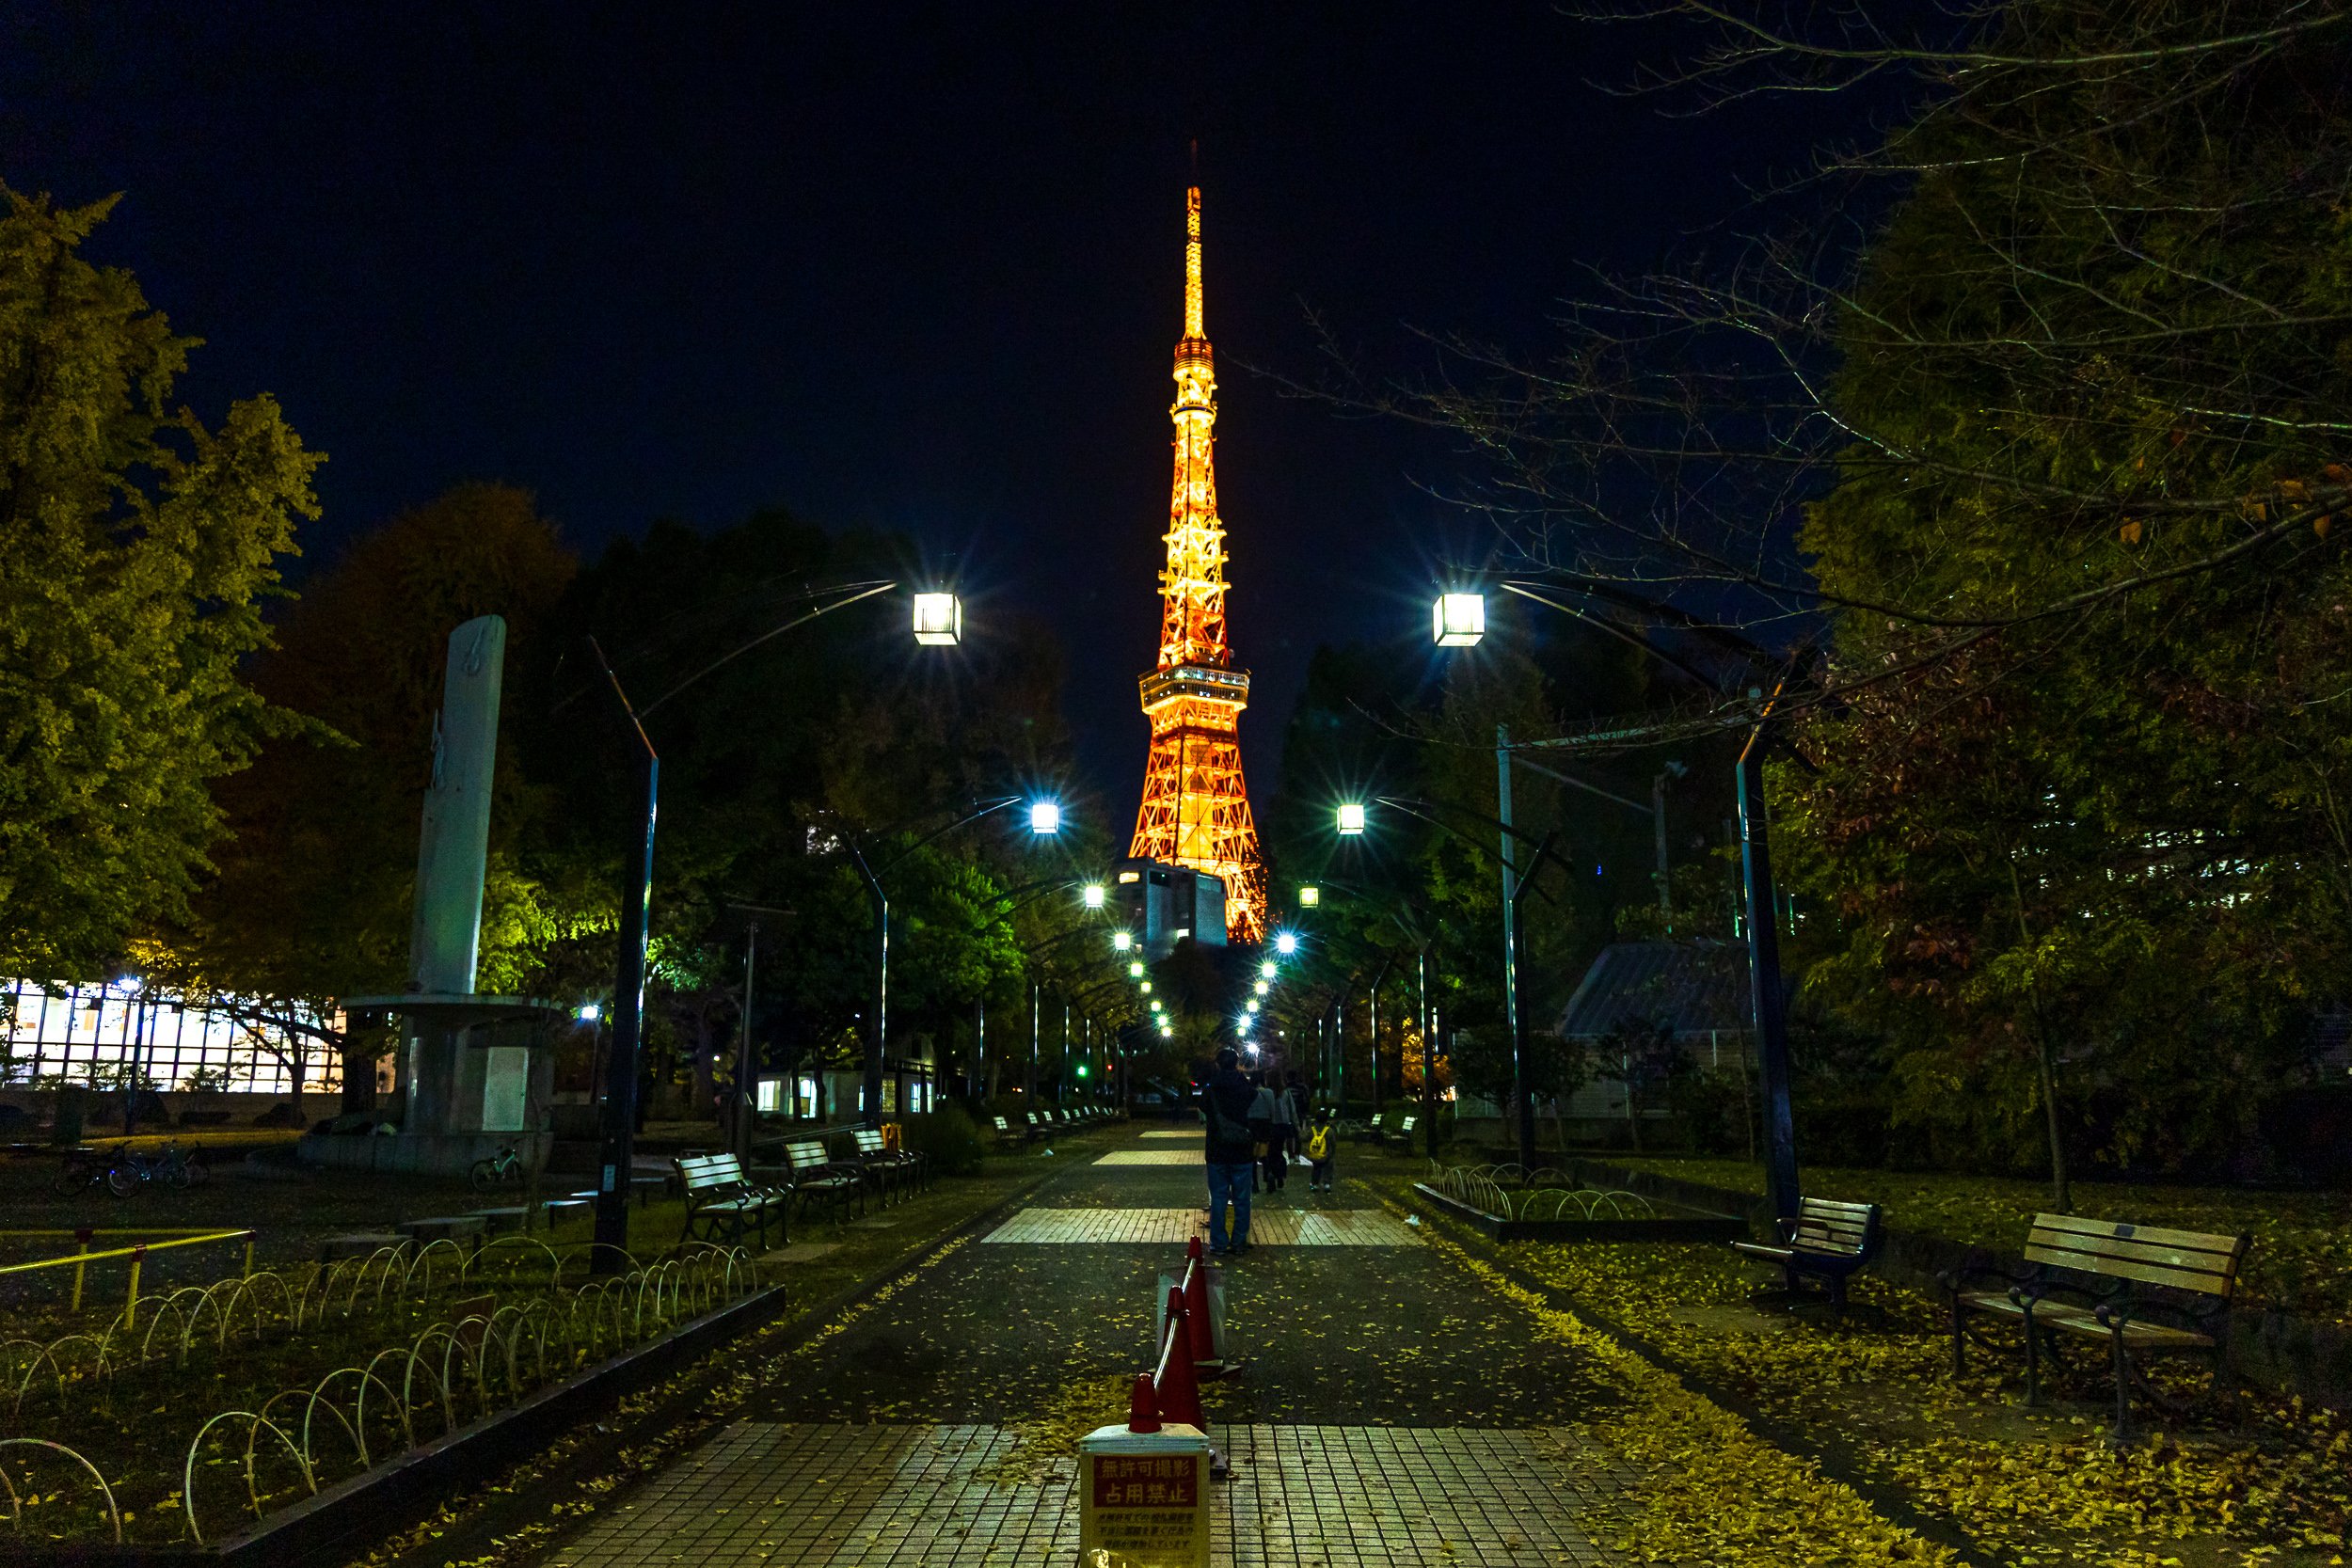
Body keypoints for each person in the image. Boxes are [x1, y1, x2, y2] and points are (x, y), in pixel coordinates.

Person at [1200, 1048, 1258, 1254]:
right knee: (1243, 1198)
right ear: (1236, 1063)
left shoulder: (1211, 1086)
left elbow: (1204, 1107)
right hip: (1242, 1148)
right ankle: (1239, 1241)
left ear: (1217, 1063)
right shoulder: (1244, 1085)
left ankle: (1218, 1243)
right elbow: (1253, 1098)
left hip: (1217, 1147)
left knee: (1218, 1197)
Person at [1263, 1072, 1295, 1192]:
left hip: (1269, 1126)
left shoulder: (1266, 1093)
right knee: (1279, 1151)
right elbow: (1292, 1110)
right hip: (1283, 1126)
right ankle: (1280, 1175)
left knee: (1269, 1153)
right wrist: (1295, 1125)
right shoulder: (1285, 1092)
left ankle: (1270, 1174)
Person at [1304, 1106, 1336, 1194]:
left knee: (1316, 1169)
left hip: (1315, 1155)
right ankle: (1327, 1184)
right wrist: (1331, 1153)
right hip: (1326, 1155)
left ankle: (1315, 1184)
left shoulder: (1312, 1130)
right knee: (1328, 1168)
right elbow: (1333, 1144)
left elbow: (1305, 1138)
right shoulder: (1329, 1131)